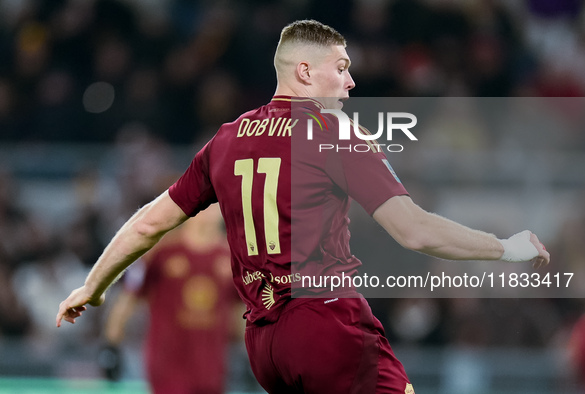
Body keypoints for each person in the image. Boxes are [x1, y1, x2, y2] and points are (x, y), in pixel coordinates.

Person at [57, 20, 550, 394]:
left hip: (264, 344)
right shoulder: (334, 134)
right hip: (326, 323)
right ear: (305, 72)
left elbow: (148, 224)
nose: (351, 83)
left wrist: (93, 285)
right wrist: (505, 249)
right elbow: (414, 230)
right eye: (341, 69)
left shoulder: (225, 140)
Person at [99, 205, 238, 394]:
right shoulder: (159, 252)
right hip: (167, 366)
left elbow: (241, 311)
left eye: (215, 202)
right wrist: (111, 345)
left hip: (212, 368)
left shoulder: (234, 257)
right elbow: (129, 297)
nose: (208, 210)